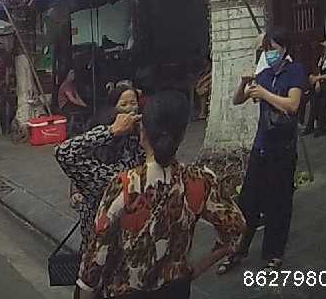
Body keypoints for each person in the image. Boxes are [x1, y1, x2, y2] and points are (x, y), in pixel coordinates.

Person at [77, 91, 245, 299]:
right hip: (176, 289)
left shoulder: (125, 185)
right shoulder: (201, 179)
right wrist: (194, 269)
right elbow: (236, 228)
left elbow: (95, 260)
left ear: (142, 132)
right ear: (182, 135)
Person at [220, 26, 305, 273]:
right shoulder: (264, 74)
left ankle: (274, 254)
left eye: (272, 48)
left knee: (279, 202)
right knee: (248, 201)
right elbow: (238, 100)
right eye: (265, 49)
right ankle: (237, 249)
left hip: (283, 147)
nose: (268, 53)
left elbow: (292, 105)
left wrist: (265, 94)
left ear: (284, 48)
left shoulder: (294, 71)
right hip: (261, 146)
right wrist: (244, 83)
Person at [55, 82, 145, 249]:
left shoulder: (138, 141)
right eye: (123, 104)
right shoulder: (103, 161)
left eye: (133, 103)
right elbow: (65, 153)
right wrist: (112, 131)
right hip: (99, 240)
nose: (130, 109)